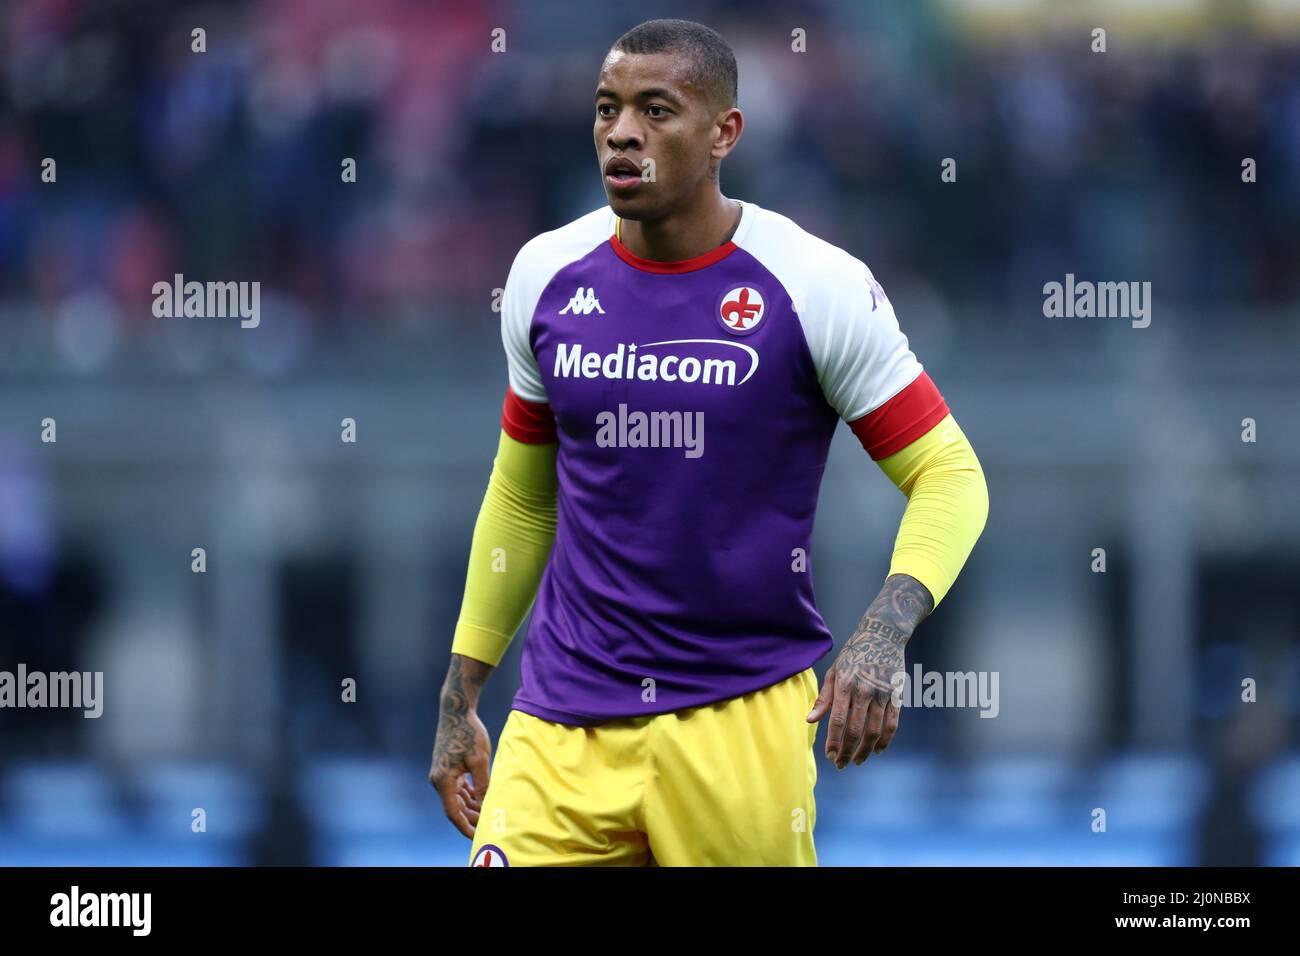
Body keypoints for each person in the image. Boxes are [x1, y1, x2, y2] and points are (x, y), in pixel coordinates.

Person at [429, 18, 988, 866]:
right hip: (559, 723)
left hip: (742, 720)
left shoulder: (814, 286)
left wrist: (884, 631)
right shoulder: (545, 275)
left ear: (725, 132)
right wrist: (459, 691)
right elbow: (522, 496)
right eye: (607, 108)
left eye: (657, 110)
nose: (622, 132)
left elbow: (949, 472)